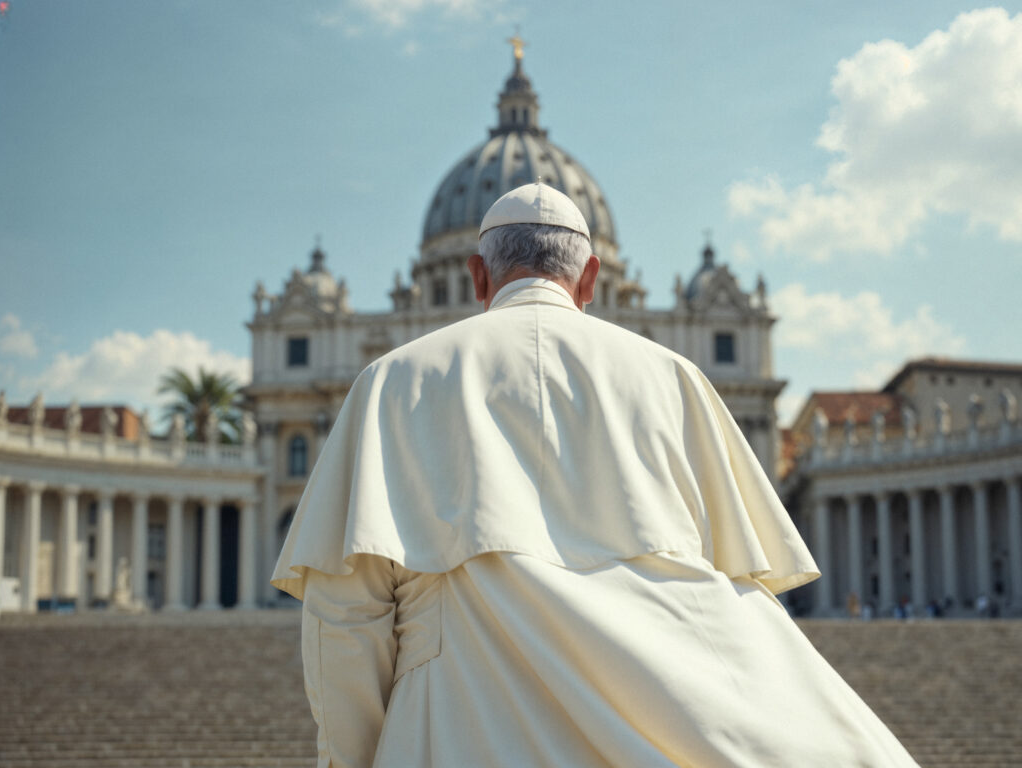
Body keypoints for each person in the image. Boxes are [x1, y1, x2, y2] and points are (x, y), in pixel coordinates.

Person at [273, 182, 920, 767]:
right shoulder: (678, 378)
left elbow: (344, 615)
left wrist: (352, 760)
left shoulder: (390, 380)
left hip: (450, 722)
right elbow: (737, 592)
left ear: (476, 275)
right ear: (590, 279)